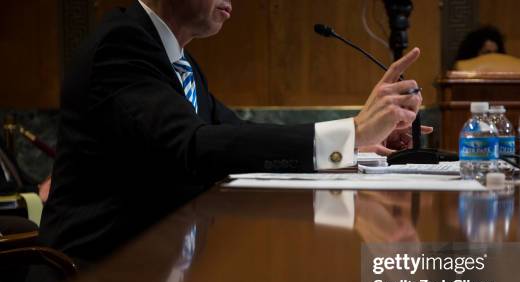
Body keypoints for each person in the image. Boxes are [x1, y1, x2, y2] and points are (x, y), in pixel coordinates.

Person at [39, 0, 424, 263]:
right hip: (94, 281)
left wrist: (358, 145)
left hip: (153, 261)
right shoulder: (122, 44)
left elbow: (237, 134)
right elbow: (193, 147)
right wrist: (350, 132)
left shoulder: (178, 59)